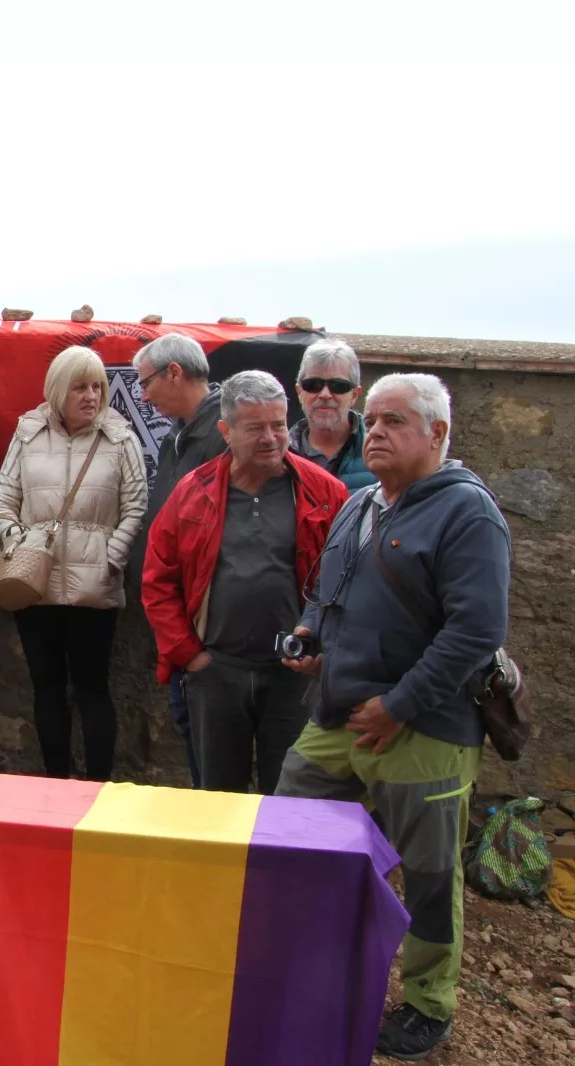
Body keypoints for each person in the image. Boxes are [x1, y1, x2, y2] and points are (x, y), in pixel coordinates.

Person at [275, 373, 509, 1062]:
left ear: (436, 434)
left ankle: (427, 1003)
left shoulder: (468, 514)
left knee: (430, 873)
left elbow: (476, 631)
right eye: (371, 419)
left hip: (424, 728)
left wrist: (398, 705)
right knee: (293, 834)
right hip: (339, 715)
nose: (373, 431)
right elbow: (328, 592)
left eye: (394, 421)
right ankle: (312, 972)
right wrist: (310, 635)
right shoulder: (357, 503)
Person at [141, 370, 348, 795]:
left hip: (294, 675)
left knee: (290, 799)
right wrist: (188, 654)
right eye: (255, 428)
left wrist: (326, 651)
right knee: (218, 799)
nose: (271, 438)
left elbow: (347, 579)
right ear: (226, 431)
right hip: (217, 671)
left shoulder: (324, 491)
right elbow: (157, 578)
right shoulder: (192, 492)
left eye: (278, 425)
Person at [0, 346, 148, 781]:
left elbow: (136, 506)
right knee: (46, 688)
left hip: (93, 585)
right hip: (32, 583)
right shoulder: (27, 434)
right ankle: (55, 784)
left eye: (97, 386)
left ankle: (98, 788)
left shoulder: (121, 439)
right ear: (58, 389)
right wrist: (18, 541)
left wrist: (112, 556)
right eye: (80, 386)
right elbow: (3, 500)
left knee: (93, 689)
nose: (91, 396)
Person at [130, 332, 227, 787]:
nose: (143, 395)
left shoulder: (223, 433)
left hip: (204, 628)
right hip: (178, 625)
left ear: (174, 372)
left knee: (212, 750)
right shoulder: (178, 435)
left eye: (146, 383)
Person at [288, 338, 377, 491]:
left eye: (338, 386)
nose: (325, 394)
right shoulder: (278, 455)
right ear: (299, 392)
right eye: (313, 385)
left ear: (355, 395)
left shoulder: (379, 447)